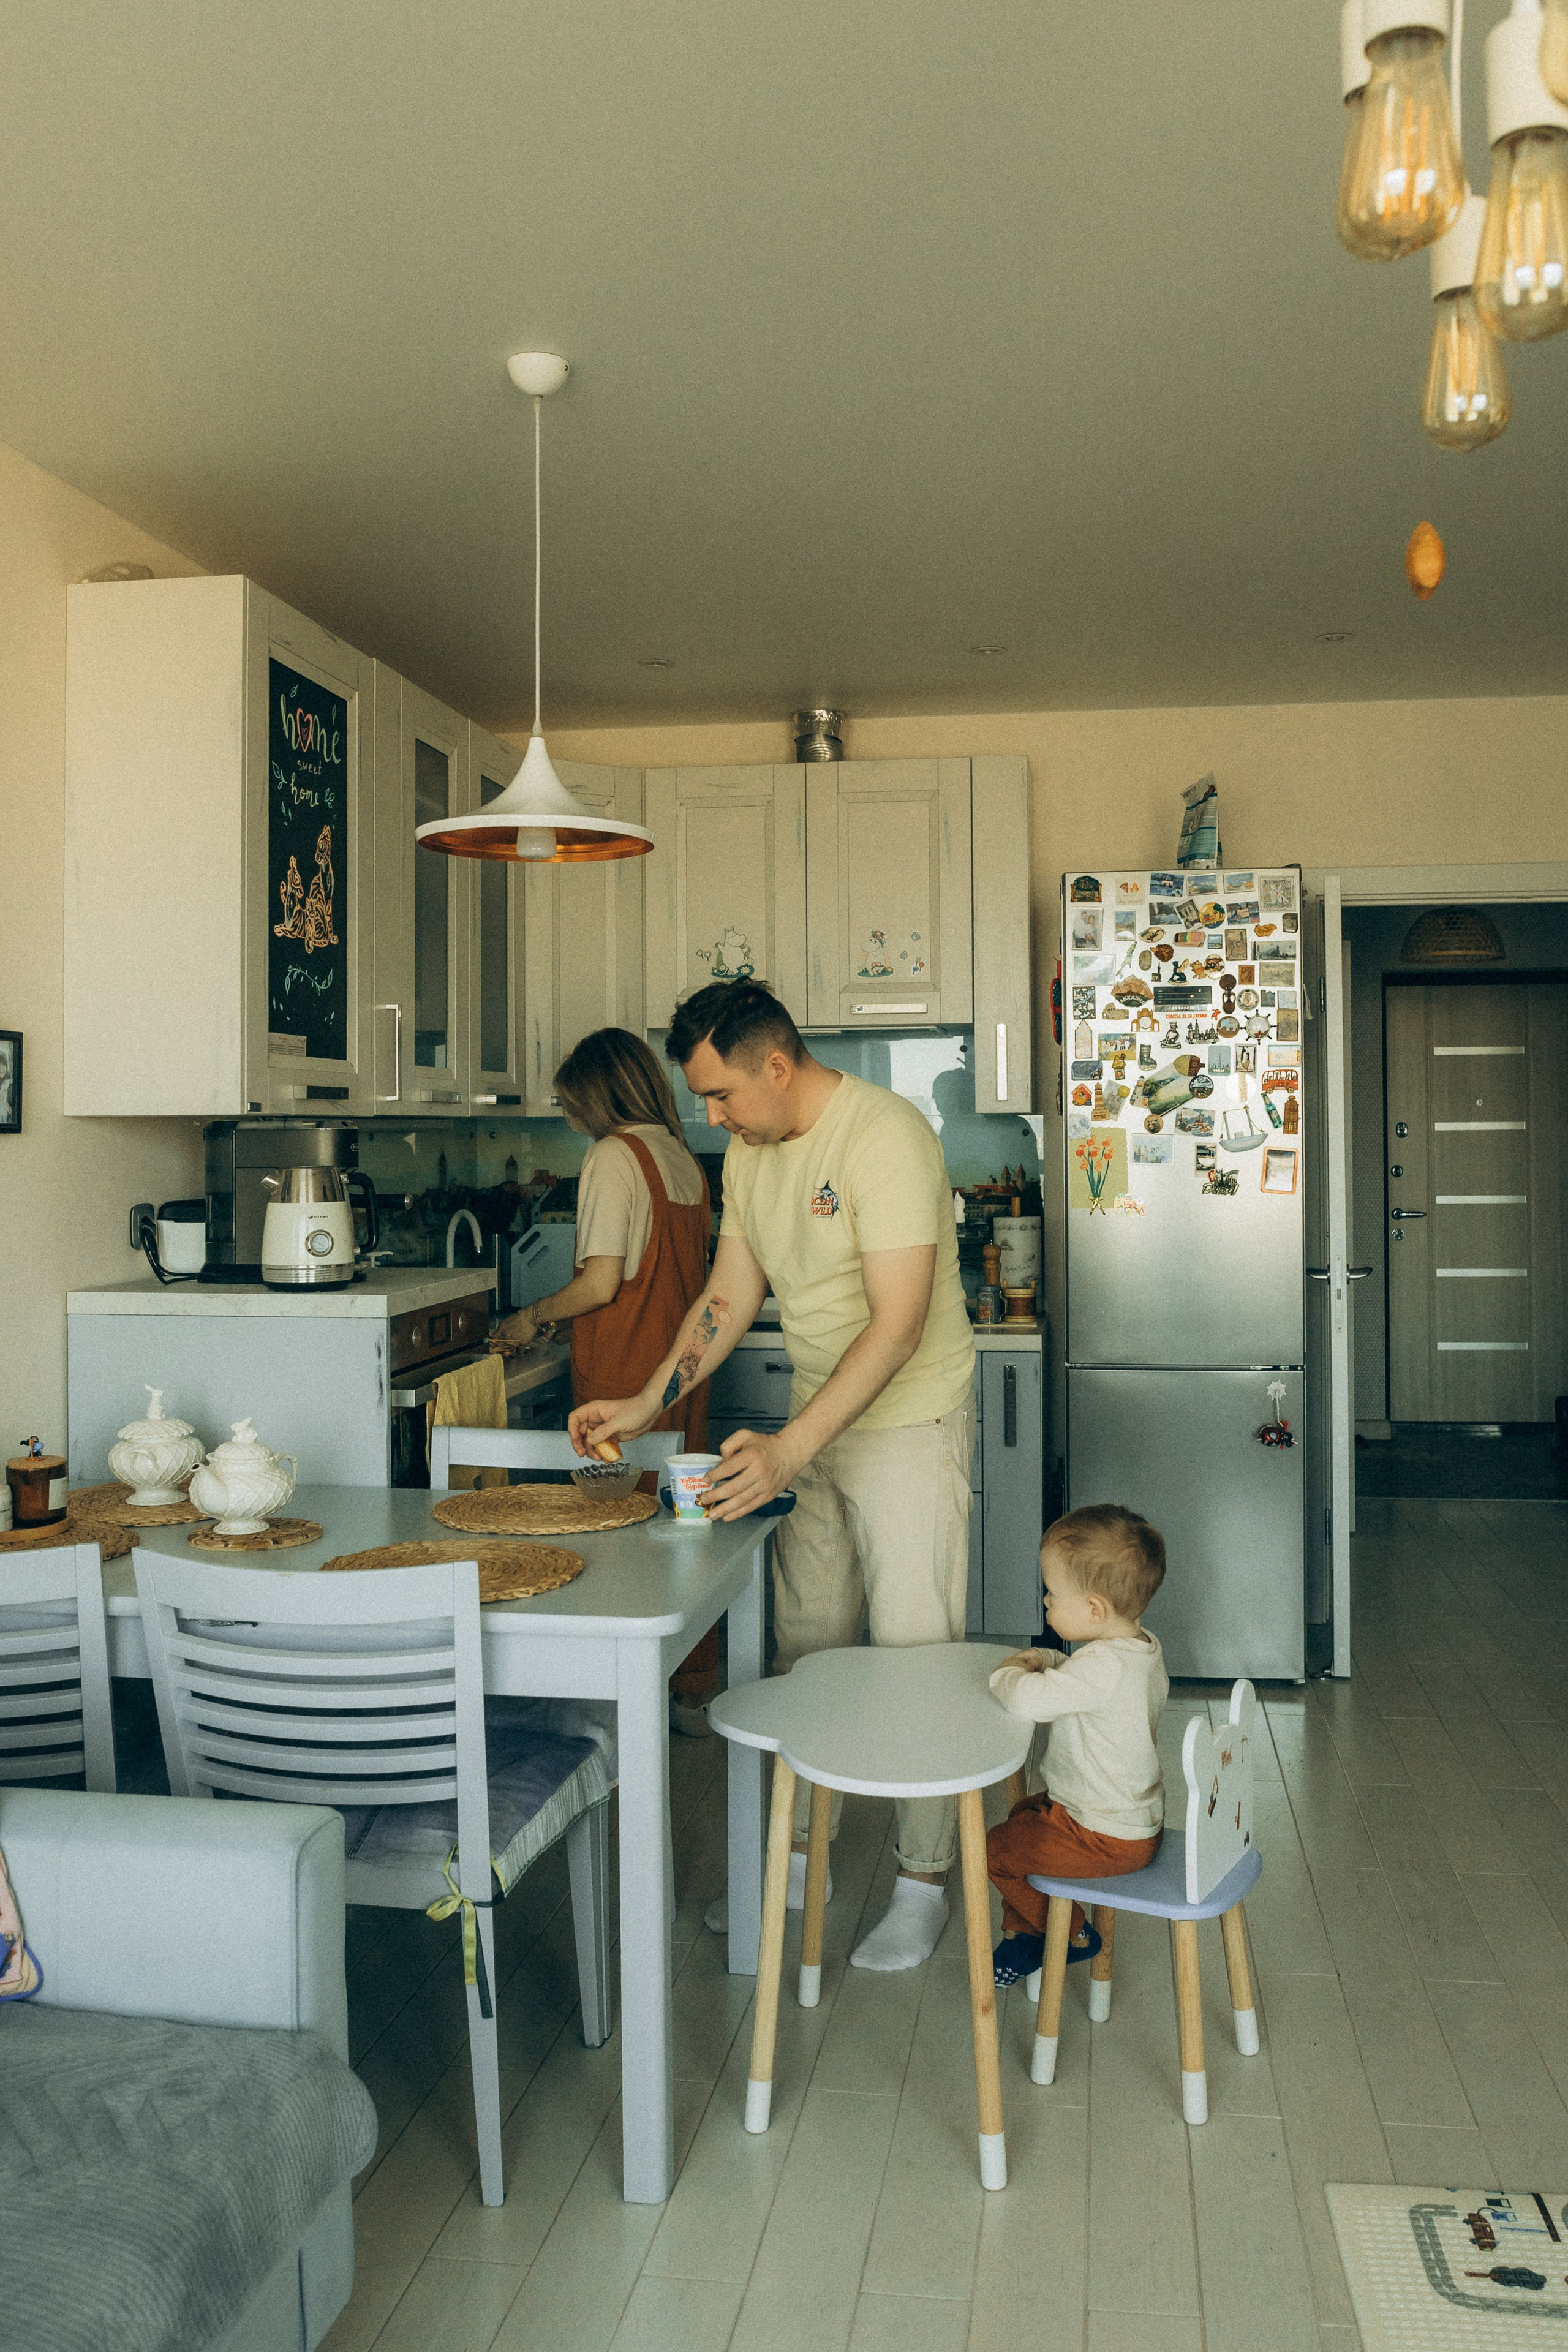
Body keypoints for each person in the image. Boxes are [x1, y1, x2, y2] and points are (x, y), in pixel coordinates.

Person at [569, 980, 977, 1972]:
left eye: (719, 1095)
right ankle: (805, 1857)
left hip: (909, 1422)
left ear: (777, 1066)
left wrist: (792, 1447)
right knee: (807, 1648)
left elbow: (899, 1321)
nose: (709, 1117)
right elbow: (726, 1296)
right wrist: (647, 1400)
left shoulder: (885, 1137)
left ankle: (924, 1879)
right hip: (817, 1425)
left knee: (917, 1649)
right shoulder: (751, 1156)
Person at [491, 1026, 717, 1735]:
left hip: (623, 1368)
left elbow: (600, 1283)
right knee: (681, 1531)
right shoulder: (680, 1157)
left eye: (568, 1101)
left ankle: (619, 1694)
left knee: (614, 1533)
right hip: (679, 1370)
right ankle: (688, 1686)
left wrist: (531, 1316)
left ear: (596, 1095)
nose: (567, 1113)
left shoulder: (613, 1155)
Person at [985, 1504, 1169, 1988]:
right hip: (1122, 1818)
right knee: (1022, 1818)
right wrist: (1047, 1657)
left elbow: (1027, 1701)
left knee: (995, 1852)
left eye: (1052, 1591)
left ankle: (1071, 1937)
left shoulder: (1101, 1669)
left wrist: (1007, 1673)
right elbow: (1082, 1678)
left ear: (1094, 1610)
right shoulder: (1139, 1648)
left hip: (1102, 1834)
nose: (1046, 1601)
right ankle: (1028, 1935)